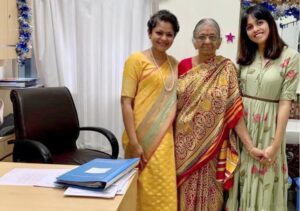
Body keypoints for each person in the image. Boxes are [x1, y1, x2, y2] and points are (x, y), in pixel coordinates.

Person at [174, 18, 264, 211]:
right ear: (194, 41)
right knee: (183, 193)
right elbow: (172, 107)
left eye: (212, 37)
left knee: (212, 196)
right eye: (202, 37)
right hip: (183, 145)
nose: (207, 41)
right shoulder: (182, 67)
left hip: (213, 146)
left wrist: (249, 146)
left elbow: (234, 111)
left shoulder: (227, 68)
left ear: (220, 41)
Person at [226, 5, 299, 211]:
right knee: (242, 181)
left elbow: (286, 101)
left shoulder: (290, 56)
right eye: (249, 26)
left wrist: (276, 145)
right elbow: (235, 103)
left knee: (265, 181)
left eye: (259, 22)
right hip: (244, 131)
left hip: (270, 131)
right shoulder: (243, 59)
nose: (255, 29)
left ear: (270, 23)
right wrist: (248, 145)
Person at [120, 10, 180, 211]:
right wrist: (135, 142)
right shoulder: (136, 60)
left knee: (164, 187)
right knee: (140, 187)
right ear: (150, 32)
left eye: (169, 34)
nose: (164, 38)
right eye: (159, 33)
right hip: (139, 135)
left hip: (166, 137)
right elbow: (126, 102)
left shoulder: (175, 65)